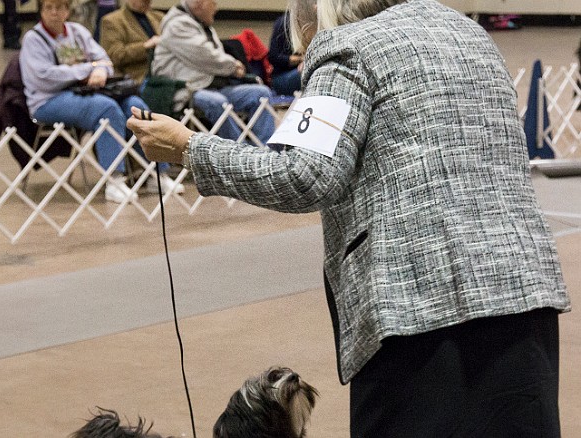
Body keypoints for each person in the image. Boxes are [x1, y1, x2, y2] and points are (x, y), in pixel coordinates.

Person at [128, 0, 571, 436]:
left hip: (415, 313)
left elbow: (304, 175)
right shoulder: (470, 33)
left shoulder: (347, 48)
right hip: (523, 292)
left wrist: (190, 147)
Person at [19, 0, 183, 203]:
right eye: (48, 8)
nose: (54, 12)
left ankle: (157, 174)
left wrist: (99, 68)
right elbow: (44, 76)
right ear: (41, 11)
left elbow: (105, 60)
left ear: (67, 10)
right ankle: (114, 180)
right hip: (48, 100)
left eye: (59, 7)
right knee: (106, 108)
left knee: (136, 106)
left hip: (85, 93)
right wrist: (89, 69)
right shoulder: (32, 39)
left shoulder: (77, 31)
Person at [151, 0, 275, 145]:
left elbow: (213, 58)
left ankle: (266, 151)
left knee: (261, 93)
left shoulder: (202, 25)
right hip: (185, 90)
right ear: (199, 3)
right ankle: (237, 153)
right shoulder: (177, 25)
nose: (216, 8)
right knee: (218, 102)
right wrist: (233, 66)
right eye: (213, 3)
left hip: (212, 86)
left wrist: (230, 67)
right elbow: (205, 57)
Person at [99, 0, 163, 85]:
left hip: (164, 71)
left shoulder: (159, 17)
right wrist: (146, 46)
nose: (148, 2)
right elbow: (115, 55)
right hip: (137, 78)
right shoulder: (113, 21)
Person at [268, 12, 303, 96]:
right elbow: (273, 57)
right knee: (308, 71)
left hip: (295, 73)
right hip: (281, 77)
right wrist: (302, 59)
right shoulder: (284, 23)